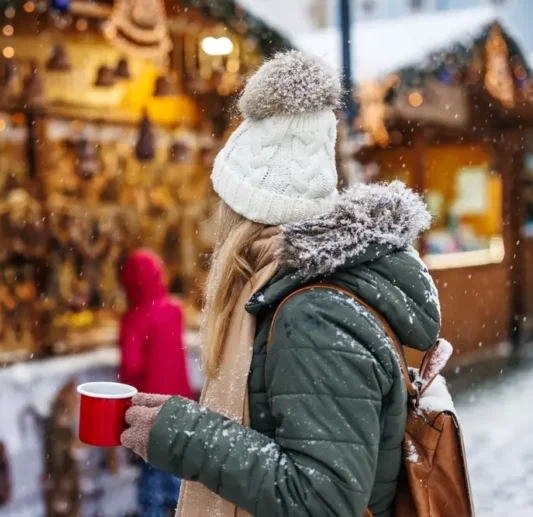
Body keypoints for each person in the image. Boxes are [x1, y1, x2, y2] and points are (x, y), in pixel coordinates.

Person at [120, 51, 441, 517]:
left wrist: (186, 436)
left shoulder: (311, 312)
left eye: (223, 200)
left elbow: (323, 501)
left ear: (244, 208)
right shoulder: (293, 296)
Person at [118, 249, 192, 517]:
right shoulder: (174, 311)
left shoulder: (133, 320)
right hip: (179, 406)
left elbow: (131, 367)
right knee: (176, 474)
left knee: (150, 478)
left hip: (147, 410)